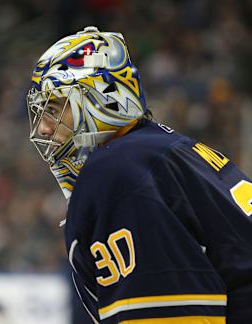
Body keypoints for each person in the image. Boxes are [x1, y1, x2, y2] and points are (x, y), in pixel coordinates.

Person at [27, 26, 252, 323]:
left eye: (55, 108)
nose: (43, 128)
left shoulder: (117, 172)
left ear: (103, 97)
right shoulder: (159, 150)